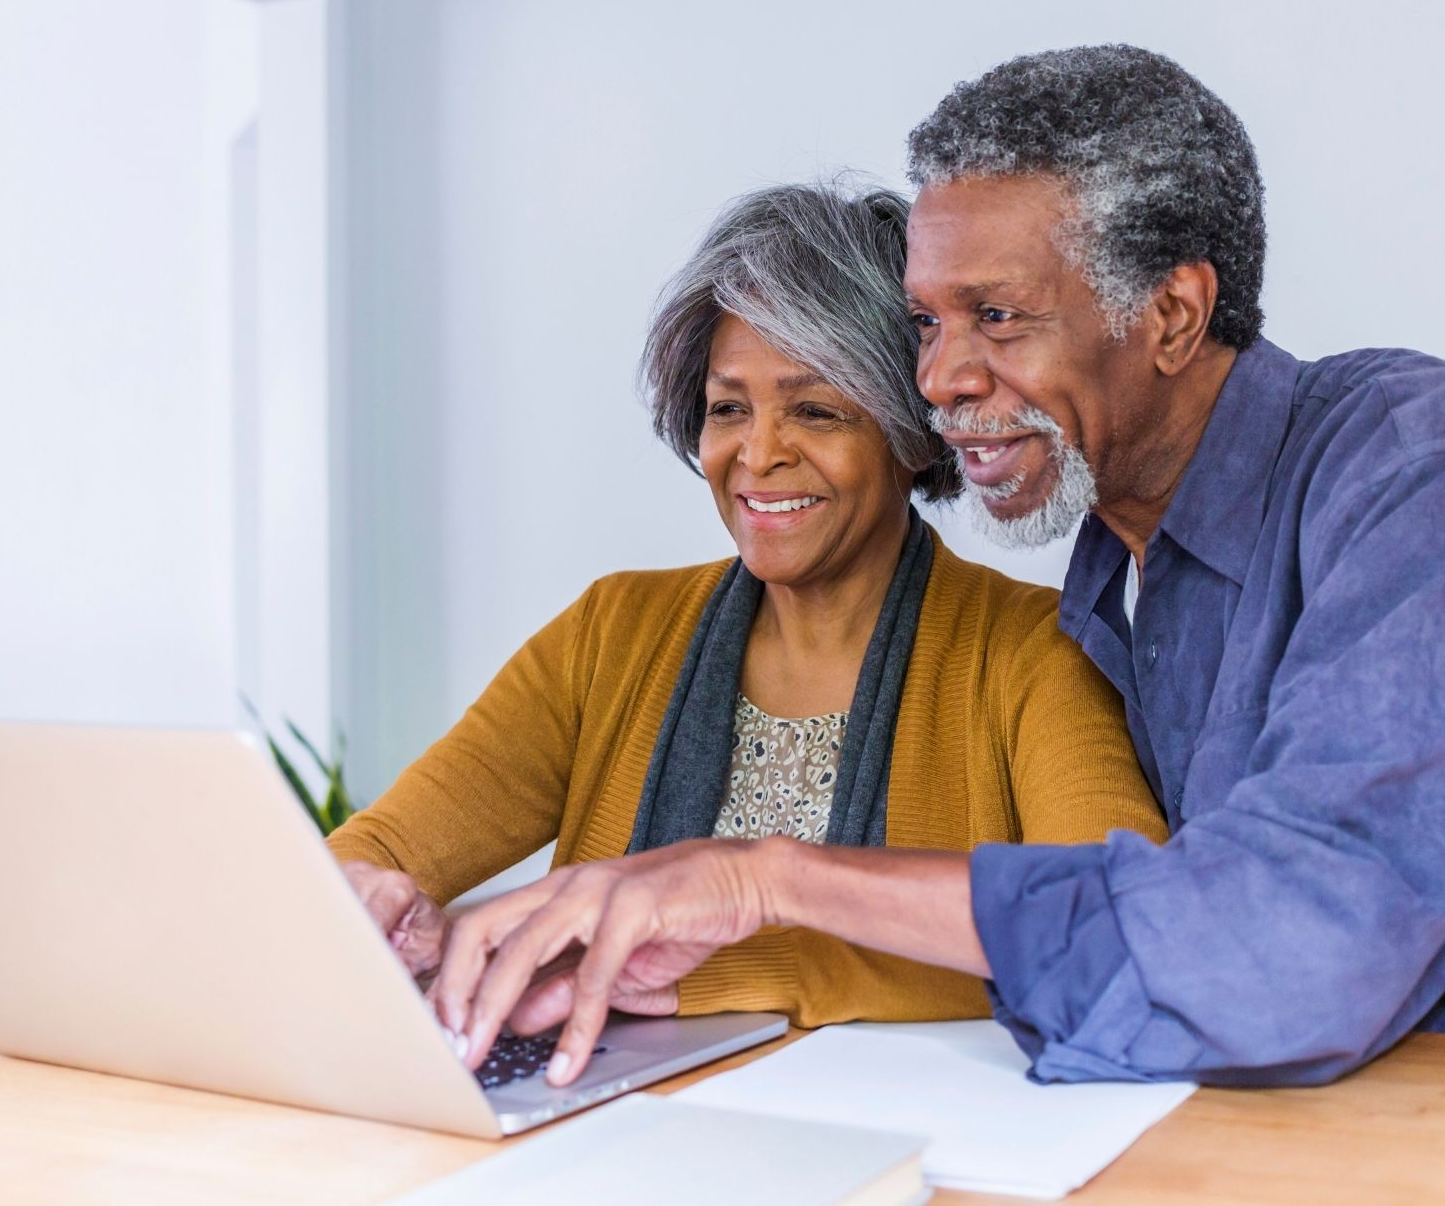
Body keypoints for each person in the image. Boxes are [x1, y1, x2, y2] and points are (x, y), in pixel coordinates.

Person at [429, 47, 1445, 1088]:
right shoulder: (1113, 572)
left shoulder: (1422, 458)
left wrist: (768, 876)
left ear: (1175, 316)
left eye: (999, 317)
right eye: (927, 322)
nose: (937, 379)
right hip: (1240, 1136)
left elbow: (1295, 946)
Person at [329, 181, 1165, 1033]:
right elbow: (374, 853)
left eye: (814, 410)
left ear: (912, 431)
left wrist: (674, 971)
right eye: (728, 408)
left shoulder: (1034, 653)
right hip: (613, 1126)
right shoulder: (610, 634)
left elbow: (1118, 933)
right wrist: (379, 905)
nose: (758, 454)